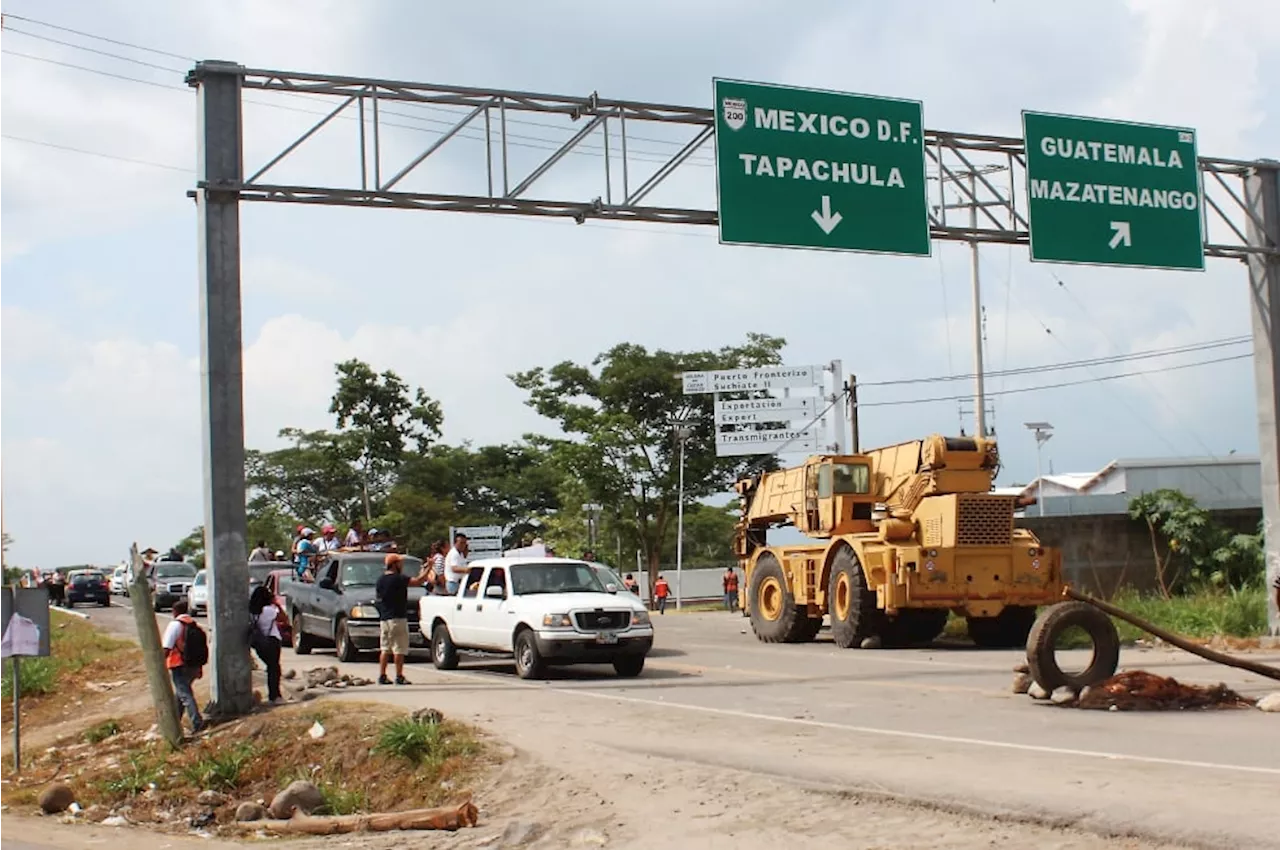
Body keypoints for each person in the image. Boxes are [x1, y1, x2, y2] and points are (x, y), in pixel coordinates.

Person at [375, 553, 430, 685]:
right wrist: (429, 568)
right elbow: (418, 581)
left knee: (385, 648)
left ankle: (382, 675)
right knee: (399, 648)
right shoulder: (398, 578)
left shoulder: (380, 580)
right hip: (397, 618)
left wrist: (424, 568)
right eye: (400, 563)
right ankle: (399, 676)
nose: (402, 565)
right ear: (394, 564)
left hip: (384, 618)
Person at [161, 600, 206, 733]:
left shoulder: (175, 625)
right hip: (193, 665)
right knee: (181, 694)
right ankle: (174, 722)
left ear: (174, 612)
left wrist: (159, 665)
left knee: (185, 695)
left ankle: (197, 722)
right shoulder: (193, 625)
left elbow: (167, 648)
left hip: (178, 664)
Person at [249, 585, 284, 705]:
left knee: (270, 668)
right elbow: (284, 618)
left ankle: (273, 695)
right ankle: (274, 695)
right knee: (274, 669)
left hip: (259, 643)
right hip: (272, 641)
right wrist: (277, 604)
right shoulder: (268, 610)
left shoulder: (253, 613)